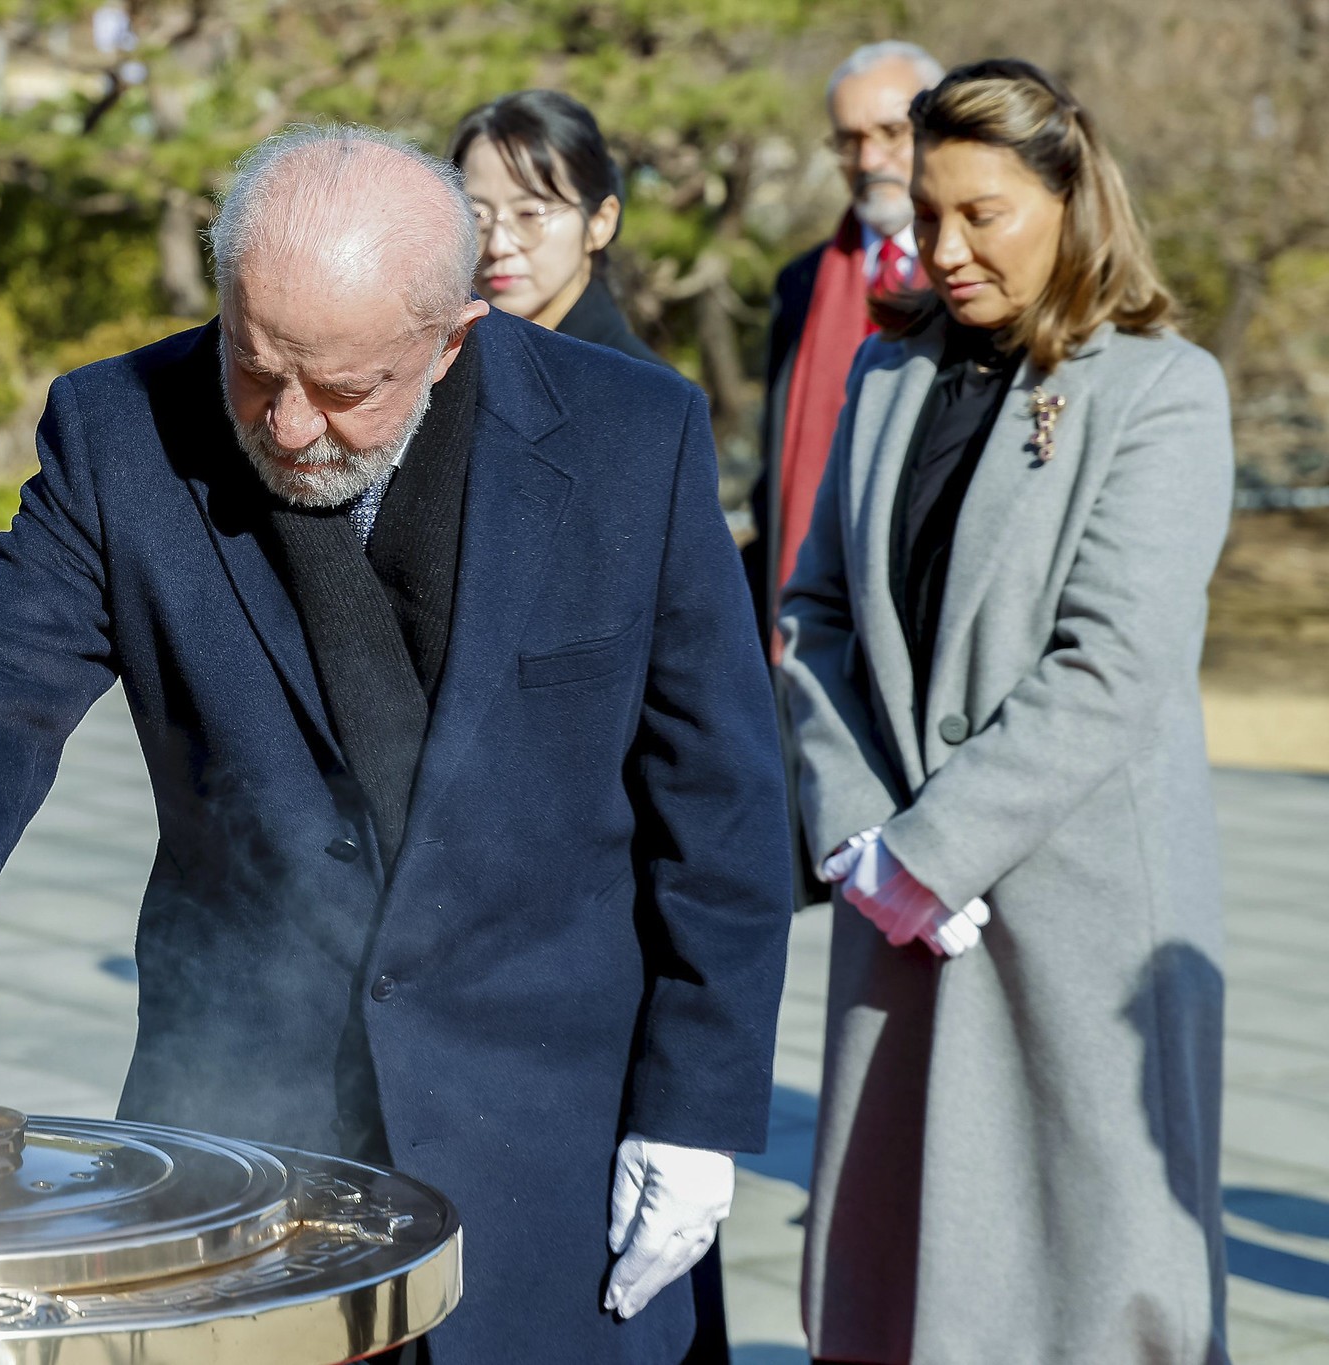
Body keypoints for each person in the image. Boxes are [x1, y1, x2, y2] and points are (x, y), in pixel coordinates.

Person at [0, 126, 795, 1364]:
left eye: (340, 391)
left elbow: (716, 798)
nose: (283, 425)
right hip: (243, 1122)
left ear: (452, 333)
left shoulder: (626, 438)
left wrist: (695, 1113)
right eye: (252, 365)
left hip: (554, 1116)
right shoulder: (119, 428)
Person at [779, 60, 1232, 1365]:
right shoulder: (888, 374)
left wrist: (935, 850)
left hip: (1072, 917)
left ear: (1071, 200)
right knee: (894, 1286)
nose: (946, 246)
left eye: (985, 212)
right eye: (928, 213)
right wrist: (865, 836)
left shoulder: (1159, 388)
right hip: (892, 908)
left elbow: (1113, 659)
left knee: (1080, 1291)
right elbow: (812, 615)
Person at [452, 87, 728, 1364]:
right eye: (476, 211)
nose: (502, 239)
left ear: (600, 221)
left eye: (536, 209)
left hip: (590, 931)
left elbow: (702, 751)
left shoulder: (637, 408)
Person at [750, 41, 944, 648]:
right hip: (808, 608)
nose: (870, 158)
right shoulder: (801, 283)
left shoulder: (973, 275)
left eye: (892, 131)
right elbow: (775, 465)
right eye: (849, 139)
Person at [449, 89, 672, 369]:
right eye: (477, 215)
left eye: (529, 213)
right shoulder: (440, 371)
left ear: (599, 223)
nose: (498, 245)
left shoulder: (644, 395)